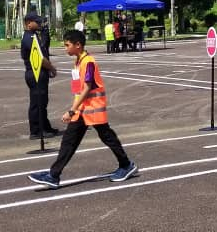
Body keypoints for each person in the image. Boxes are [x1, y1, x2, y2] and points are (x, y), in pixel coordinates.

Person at [27, 30, 137, 188]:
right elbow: (78, 89)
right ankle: (53, 175)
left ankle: (126, 165)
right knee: (69, 142)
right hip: (83, 111)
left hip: (92, 110)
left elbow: (87, 88)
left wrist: (71, 110)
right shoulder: (79, 61)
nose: (65, 48)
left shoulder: (88, 62)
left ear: (78, 45)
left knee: (107, 137)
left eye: (67, 45)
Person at [21, 13, 59, 140]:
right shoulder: (29, 38)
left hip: (39, 72)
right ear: (29, 23)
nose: (40, 24)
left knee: (42, 101)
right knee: (37, 103)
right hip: (35, 72)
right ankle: (36, 130)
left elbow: (44, 49)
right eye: (37, 22)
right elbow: (41, 58)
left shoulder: (34, 36)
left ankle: (45, 126)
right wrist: (52, 68)